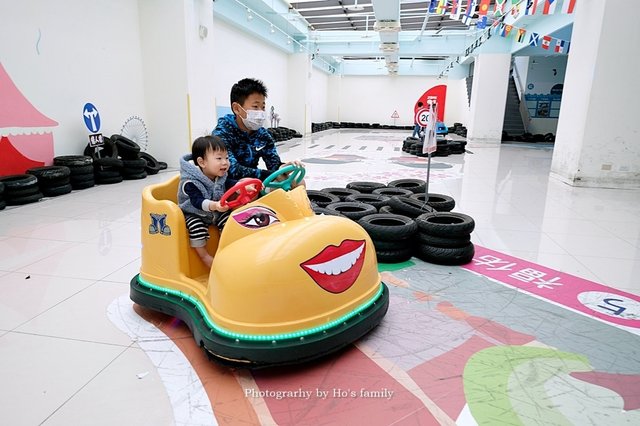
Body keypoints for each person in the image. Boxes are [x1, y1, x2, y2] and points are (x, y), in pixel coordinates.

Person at [213, 78, 304, 185]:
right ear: (237, 108)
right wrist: (269, 175)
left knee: (298, 182)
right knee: (250, 186)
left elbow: (273, 165)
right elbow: (232, 169)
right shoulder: (222, 133)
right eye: (255, 107)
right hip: (228, 183)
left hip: (253, 179)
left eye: (263, 107)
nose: (260, 112)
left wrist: (284, 168)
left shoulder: (262, 135)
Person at [177, 135, 238, 268]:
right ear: (202, 162)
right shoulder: (189, 182)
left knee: (231, 221)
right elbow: (197, 201)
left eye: (226, 158)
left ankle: (226, 250)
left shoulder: (220, 175)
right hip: (194, 213)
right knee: (196, 227)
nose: (225, 162)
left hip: (216, 211)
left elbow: (230, 183)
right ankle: (205, 257)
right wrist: (214, 205)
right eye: (219, 158)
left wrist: (242, 186)